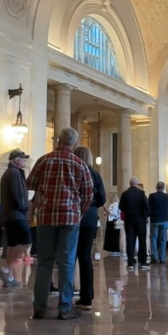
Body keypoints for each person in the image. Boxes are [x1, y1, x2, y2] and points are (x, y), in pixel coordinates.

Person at [26, 127, 94, 320]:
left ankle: (39, 306)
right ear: (75, 142)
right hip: (70, 219)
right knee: (67, 263)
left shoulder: (43, 160)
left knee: (44, 262)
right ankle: (65, 307)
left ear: (58, 140)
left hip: (46, 218)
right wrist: (78, 213)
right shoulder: (80, 164)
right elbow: (88, 195)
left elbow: (30, 184)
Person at [73, 146, 107, 311]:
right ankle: (87, 297)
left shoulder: (73, 170)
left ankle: (69, 290)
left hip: (73, 214)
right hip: (90, 216)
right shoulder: (95, 174)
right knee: (85, 256)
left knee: (69, 256)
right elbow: (102, 198)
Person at [0, 149, 31, 286]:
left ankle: (9, 278)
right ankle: (5, 268)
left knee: (12, 245)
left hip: (10, 214)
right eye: (23, 159)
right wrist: (25, 208)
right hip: (16, 214)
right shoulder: (15, 173)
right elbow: (18, 195)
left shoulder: (10, 173)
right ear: (16, 160)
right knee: (26, 241)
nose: (24, 161)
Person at [119, 176, 150, 271]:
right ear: (136, 184)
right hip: (140, 220)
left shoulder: (125, 194)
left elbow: (121, 207)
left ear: (130, 183)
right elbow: (147, 207)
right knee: (142, 240)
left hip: (129, 220)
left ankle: (131, 263)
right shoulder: (141, 193)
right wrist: (145, 216)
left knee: (130, 241)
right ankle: (143, 261)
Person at [148, 181, 168, 266]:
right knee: (163, 240)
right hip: (164, 220)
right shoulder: (167, 196)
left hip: (154, 220)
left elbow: (149, 206)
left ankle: (154, 257)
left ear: (156, 187)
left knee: (154, 239)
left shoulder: (152, 196)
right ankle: (162, 258)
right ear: (164, 188)